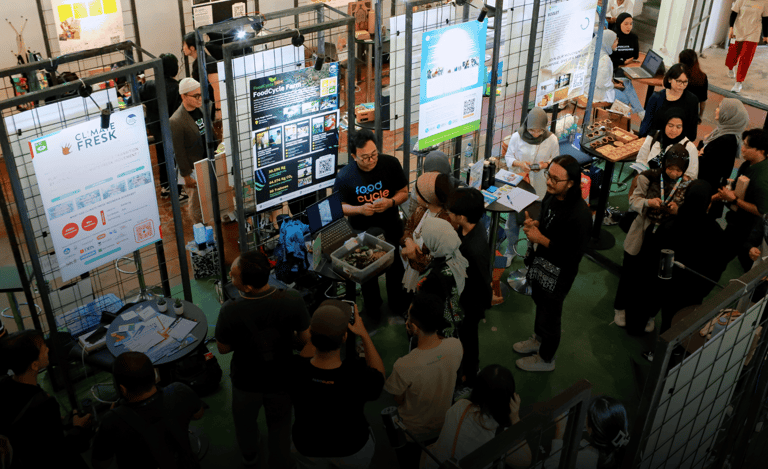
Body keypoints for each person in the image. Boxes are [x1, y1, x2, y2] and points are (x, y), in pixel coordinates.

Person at [215, 250, 313, 468]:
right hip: (281, 378)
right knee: (280, 425)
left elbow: (222, 348)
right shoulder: (292, 298)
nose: (230, 277)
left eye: (233, 276)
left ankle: (249, 456)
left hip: (245, 381)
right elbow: (305, 339)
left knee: (245, 423)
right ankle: (279, 460)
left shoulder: (229, 310)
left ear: (248, 287)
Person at [514, 155, 592, 372]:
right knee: (540, 302)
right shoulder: (552, 195)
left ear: (571, 183)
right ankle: (538, 340)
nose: (549, 182)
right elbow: (548, 219)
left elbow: (572, 254)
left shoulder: (581, 215)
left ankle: (546, 358)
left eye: (556, 179)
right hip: (541, 263)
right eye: (549, 176)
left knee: (551, 313)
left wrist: (541, 239)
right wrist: (536, 224)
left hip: (560, 273)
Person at [288, 300, 385, 469]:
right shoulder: (356, 375)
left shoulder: (294, 368)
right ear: (344, 337)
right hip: (351, 448)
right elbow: (379, 377)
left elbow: (306, 355)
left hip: (306, 446)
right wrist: (363, 333)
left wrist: (320, 325)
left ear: (311, 333)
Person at [334, 129, 409, 319]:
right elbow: (339, 207)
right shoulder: (345, 176)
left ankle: (398, 304)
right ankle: (373, 309)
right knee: (368, 274)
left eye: (374, 154)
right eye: (365, 157)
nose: (371, 160)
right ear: (354, 156)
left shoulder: (390, 164)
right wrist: (359, 209)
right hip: (363, 232)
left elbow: (403, 192)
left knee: (395, 269)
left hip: (391, 227)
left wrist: (390, 202)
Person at [615, 147, 692, 334]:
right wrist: (648, 203)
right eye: (670, 168)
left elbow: (689, 211)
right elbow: (633, 200)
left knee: (657, 279)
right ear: (664, 164)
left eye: (678, 170)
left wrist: (678, 211)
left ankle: (649, 314)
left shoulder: (687, 185)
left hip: (667, 237)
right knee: (630, 272)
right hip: (644, 230)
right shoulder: (648, 177)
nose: (674, 173)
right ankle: (620, 307)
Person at [385, 292, 463, 469]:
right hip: (444, 425)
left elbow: (399, 399)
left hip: (414, 433)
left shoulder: (404, 365)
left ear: (413, 327)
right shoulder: (455, 346)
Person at [91, 352, 205, 469]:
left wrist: (103, 427)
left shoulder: (112, 421)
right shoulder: (179, 390)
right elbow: (198, 414)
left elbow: (100, 464)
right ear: (155, 376)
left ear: (122, 389)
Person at [0, 331, 92, 469]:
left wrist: (52, 421)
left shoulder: (4, 385)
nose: (48, 349)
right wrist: (79, 427)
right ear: (34, 365)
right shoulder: (45, 405)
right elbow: (58, 451)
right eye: (44, 348)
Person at [648, 181, 727, 336]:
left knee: (667, 319)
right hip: (694, 292)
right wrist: (703, 290)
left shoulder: (670, 226)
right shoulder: (715, 233)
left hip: (667, 286)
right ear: (707, 204)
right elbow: (719, 265)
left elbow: (653, 256)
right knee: (680, 326)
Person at [422, 365, 532, 469]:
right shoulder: (499, 435)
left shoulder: (460, 405)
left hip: (433, 464)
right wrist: (516, 419)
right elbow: (526, 461)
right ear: (508, 398)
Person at [447, 188, 493, 390]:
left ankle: (471, 375)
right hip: (466, 297)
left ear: (462, 217)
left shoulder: (474, 249)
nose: (448, 214)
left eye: (451, 212)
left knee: (469, 338)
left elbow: (482, 281)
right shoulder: (472, 227)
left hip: (470, 303)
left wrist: (480, 307)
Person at [502, 107, 559, 266]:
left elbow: (556, 161)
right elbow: (508, 157)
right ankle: (510, 251)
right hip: (520, 186)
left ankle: (531, 252)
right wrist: (520, 164)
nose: (535, 134)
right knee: (512, 222)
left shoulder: (552, 140)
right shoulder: (517, 137)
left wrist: (544, 165)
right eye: (532, 130)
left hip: (540, 188)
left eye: (539, 131)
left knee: (535, 223)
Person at [714, 128, 768, 272]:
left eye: (747, 146)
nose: (742, 149)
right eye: (743, 144)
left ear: (761, 151)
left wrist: (735, 200)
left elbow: (761, 211)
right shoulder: (748, 164)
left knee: (721, 259)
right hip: (736, 220)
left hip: (746, 229)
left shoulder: (762, 179)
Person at [401, 172, 456, 294]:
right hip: (413, 270)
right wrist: (408, 241)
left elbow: (435, 260)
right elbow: (408, 228)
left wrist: (410, 253)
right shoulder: (421, 209)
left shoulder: (445, 224)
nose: (414, 194)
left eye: (417, 192)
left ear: (427, 198)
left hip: (429, 277)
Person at [417, 217, 470, 338]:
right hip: (457, 314)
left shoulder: (435, 275)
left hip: (440, 325)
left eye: (425, 238)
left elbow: (428, 305)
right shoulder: (456, 255)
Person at [696, 98, 749, 216]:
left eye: (720, 108)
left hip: (708, 188)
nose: (716, 110)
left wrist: (697, 155)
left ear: (729, 115)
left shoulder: (725, 140)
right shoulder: (722, 132)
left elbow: (710, 167)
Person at [544, 397, 630, 469]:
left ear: (592, 430)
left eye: (587, 415)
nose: (585, 416)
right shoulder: (616, 445)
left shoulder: (588, 459)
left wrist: (560, 430)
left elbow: (551, 465)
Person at [170, 77, 207, 224]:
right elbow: (178, 151)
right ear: (183, 96)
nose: (200, 98)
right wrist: (186, 176)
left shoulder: (201, 109)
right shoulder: (176, 121)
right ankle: (200, 229)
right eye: (196, 96)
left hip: (207, 161)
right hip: (193, 168)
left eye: (200, 94)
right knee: (196, 203)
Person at [591, 30, 646, 119]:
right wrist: (614, 85)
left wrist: (614, 83)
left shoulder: (599, 52)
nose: (617, 43)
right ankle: (615, 120)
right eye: (615, 41)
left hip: (594, 86)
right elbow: (601, 84)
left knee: (626, 84)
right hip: (596, 91)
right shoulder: (605, 60)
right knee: (625, 98)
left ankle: (638, 112)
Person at [639, 64, 699, 142]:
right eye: (679, 81)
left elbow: (692, 131)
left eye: (685, 82)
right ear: (670, 79)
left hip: (678, 143)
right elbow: (646, 124)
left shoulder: (692, 100)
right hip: (655, 140)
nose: (682, 85)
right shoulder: (656, 98)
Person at [633, 109, 699, 180]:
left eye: (678, 127)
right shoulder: (654, 137)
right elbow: (641, 159)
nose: (674, 130)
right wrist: (647, 176)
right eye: (670, 126)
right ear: (664, 124)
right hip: (649, 178)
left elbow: (691, 176)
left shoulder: (689, 147)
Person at [403, 150, 463, 219]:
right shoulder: (419, 186)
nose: (434, 179)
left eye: (438, 175)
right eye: (431, 174)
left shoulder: (457, 187)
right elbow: (412, 212)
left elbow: (411, 212)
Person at [725, 0, 768, 93]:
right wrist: (731, 29)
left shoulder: (765, 2)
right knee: (732, 55)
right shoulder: (741, 0)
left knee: (746, 58)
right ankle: (730, 67)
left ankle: (738, 82)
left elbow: (765, 19)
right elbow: (733, 13)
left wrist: (765, 35)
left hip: (753, 32)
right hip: (738, 30)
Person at [678, 49, 709, 122]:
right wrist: (700, 116)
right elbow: (703, 101)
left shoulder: (679, 75)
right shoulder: (702, 77)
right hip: (692, 114)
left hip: (677, 110)